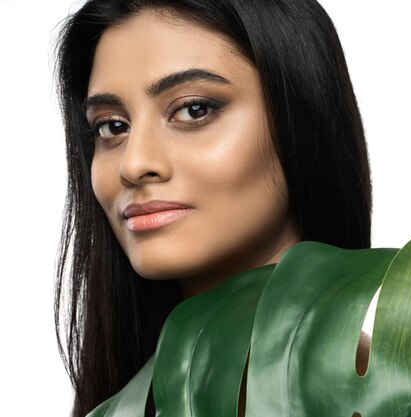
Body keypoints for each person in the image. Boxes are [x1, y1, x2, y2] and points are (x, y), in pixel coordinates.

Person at [54, 0, 372, 416]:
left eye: (194, 109)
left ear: (303, 116)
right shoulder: (126, 400)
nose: (133, 164)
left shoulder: (391, 391)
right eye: (112, 126)